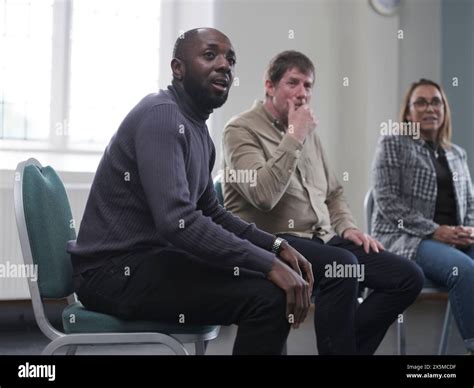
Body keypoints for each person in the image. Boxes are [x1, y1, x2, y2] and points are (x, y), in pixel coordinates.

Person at [67, 28, 315, 355]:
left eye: (231, 59)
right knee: (267, 297)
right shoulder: (163, 116)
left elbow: (211, 212)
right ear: (178, 68)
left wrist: (275, 246)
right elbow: (177, 221)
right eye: (210, 55)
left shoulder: (198, 130)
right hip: (113, 274)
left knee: (266, 286)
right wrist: (268, 264)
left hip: (148, 260)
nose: (225, 65)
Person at [222, 50, 424, 355]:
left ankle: (344, 349)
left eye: (308, 85)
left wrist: (347, 227)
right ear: (269, 85)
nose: (302, 93)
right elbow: (263, 196)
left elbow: (333, 193)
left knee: (407, 277)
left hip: (320, 239)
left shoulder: (307, 132)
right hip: (271, 242)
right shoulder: (240, 130)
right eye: (293, 83)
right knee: (343, 267)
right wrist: (294, 135)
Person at [372, 78, 474, 354]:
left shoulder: (456, 154)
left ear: (444, 109)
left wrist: (470, 230)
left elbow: (470, 204)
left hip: (453, 238)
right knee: (463, 270)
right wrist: (434, 230)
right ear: (408, 112)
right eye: (421, 102)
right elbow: (387, 201)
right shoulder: (394, 143)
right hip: (407, 237)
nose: (430, 108)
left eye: (436, 102)